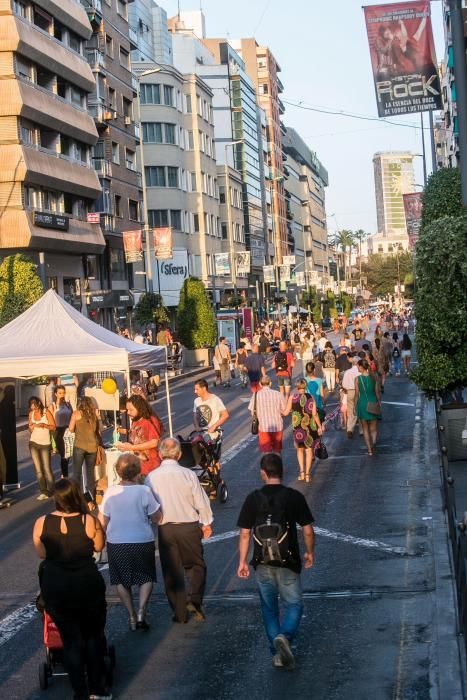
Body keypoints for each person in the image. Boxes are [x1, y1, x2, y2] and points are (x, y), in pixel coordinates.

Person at [237, 453, 315, 670]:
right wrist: (310, 552)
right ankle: (286, 636)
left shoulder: (253, 498)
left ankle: (276, 652)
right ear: (283, 471)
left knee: (269, 608)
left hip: (262, 561)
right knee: (295, 604)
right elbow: (308, 530)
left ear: (263, 473)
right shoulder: (294, 497)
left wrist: (242, 561)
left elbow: (244, 534)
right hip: (288, 560)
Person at [32, 479, 109, 700]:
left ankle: (79, 692)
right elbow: (98, 547)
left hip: (56, 585)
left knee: (70, 640)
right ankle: (97, 688)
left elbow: (42, 555)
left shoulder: (41, 523)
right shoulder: (88, 521)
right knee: (93, 635)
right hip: (86, 583)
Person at [146, 437, 213, 623]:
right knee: (196, 565)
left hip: (166, 528)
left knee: (171, 571)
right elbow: (200, 500)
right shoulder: (188, 474)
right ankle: (194, 599)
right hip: (189, 526)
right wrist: (206, 522)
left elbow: (148, 506)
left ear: (160, 454)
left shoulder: (150, 477)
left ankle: (179, 612)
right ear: (180, 454)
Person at [99, 453, 162, 630]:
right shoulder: (144, 491)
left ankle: (132, 615)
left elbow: (102, 520)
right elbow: (156, 517)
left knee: (120, 580)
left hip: (117, 541)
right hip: (141, 539)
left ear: (118, 471)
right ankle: (142, 610)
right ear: (137, 471)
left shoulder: (110, 492)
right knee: (146, 576)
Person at [282, 379, 322, 483]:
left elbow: (286, 413)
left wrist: (278, 410)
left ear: (297, 386)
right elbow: (314, 414)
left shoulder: (292, 397)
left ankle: (302, 473)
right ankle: (308, 474)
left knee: (299, 450)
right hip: (309, 428)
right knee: (309, 450)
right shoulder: (310, 397)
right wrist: (320, 426)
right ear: (305, 386)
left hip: (298, 429)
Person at [116, 395, 164, 476]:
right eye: (127, 410)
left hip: (151, 467)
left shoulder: (149, 421)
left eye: (131, 410)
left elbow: (154, 442)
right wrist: (127, 446)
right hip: (139, 467)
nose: (128, 412)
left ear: (139, 408)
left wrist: (131, 447)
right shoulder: (135, 421)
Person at [69, 396, 100, 498]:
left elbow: (70, 428)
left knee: (76, 474)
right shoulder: (94, 414)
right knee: (90, 474)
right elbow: (98, 430)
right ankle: (92, 498)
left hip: (80, 446)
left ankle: (77, 498)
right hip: (92, 447)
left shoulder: (76, 413)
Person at [249, 376, 286, 454]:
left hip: (263, 427)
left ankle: (266, 466)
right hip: (277, 426)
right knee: (277, 451)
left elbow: (252, 412)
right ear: (270, 383)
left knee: (266, 452)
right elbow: (284, 410)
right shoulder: (278, 394)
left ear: (260, 384)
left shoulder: (256, 395)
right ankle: (278, 465)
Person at [28, 397, 56, 500]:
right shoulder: (31, 414)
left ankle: (52, 490)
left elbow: (53, 426)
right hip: (33, 443)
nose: (32, 407)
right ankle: (43, 491)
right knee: (38, 469)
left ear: (39, 403)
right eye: (30, 405)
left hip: (45, 443)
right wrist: (30, 427)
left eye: (33, 404)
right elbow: (30, 429)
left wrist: (43, 425)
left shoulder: (46, 412)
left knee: (47, 468)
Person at [355, 359, 382, 456]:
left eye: (358, 366)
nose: (357, 367)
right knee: (374, 428)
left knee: (365, 428)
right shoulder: (374, 377)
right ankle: (374, 442)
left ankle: (370, 450)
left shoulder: (357, 379)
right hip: (373, 402)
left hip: (362, 404)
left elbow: (356, 395)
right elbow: (377, 392)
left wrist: (355, 406)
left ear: (361, 367)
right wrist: (379, 402)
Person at [50, 385, 73, 478]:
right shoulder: (53, 405)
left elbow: (72, 416)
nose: (62, 395)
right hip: (58, 431)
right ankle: (65, 475)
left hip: (68, 430)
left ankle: (64, 473)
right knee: (64, 453)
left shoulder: (68, 404)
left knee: (69, 453)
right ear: (55, 394)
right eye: (60, 393)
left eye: (63, 393)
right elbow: (51, 421)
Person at [342, 355, 361, 439]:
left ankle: (350, 428)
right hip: (359, 392)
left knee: (350, 411)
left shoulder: (347, 372)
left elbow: (344, 385)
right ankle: (362, 430)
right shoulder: (360, 372)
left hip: (349, 392)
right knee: (360, 410)